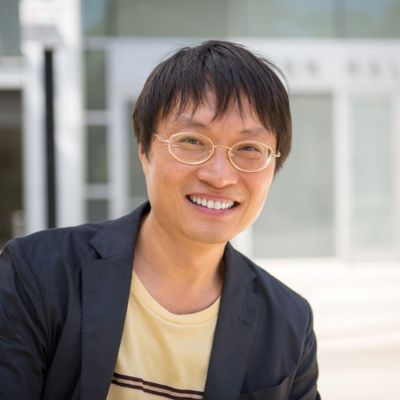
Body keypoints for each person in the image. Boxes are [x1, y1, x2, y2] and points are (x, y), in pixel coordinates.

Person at [0, 40, 320, 400]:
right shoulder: (37, 274)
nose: (219, 175)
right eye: (192, 141)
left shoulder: (289, 324)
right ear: (145, 153)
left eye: (249, 148)